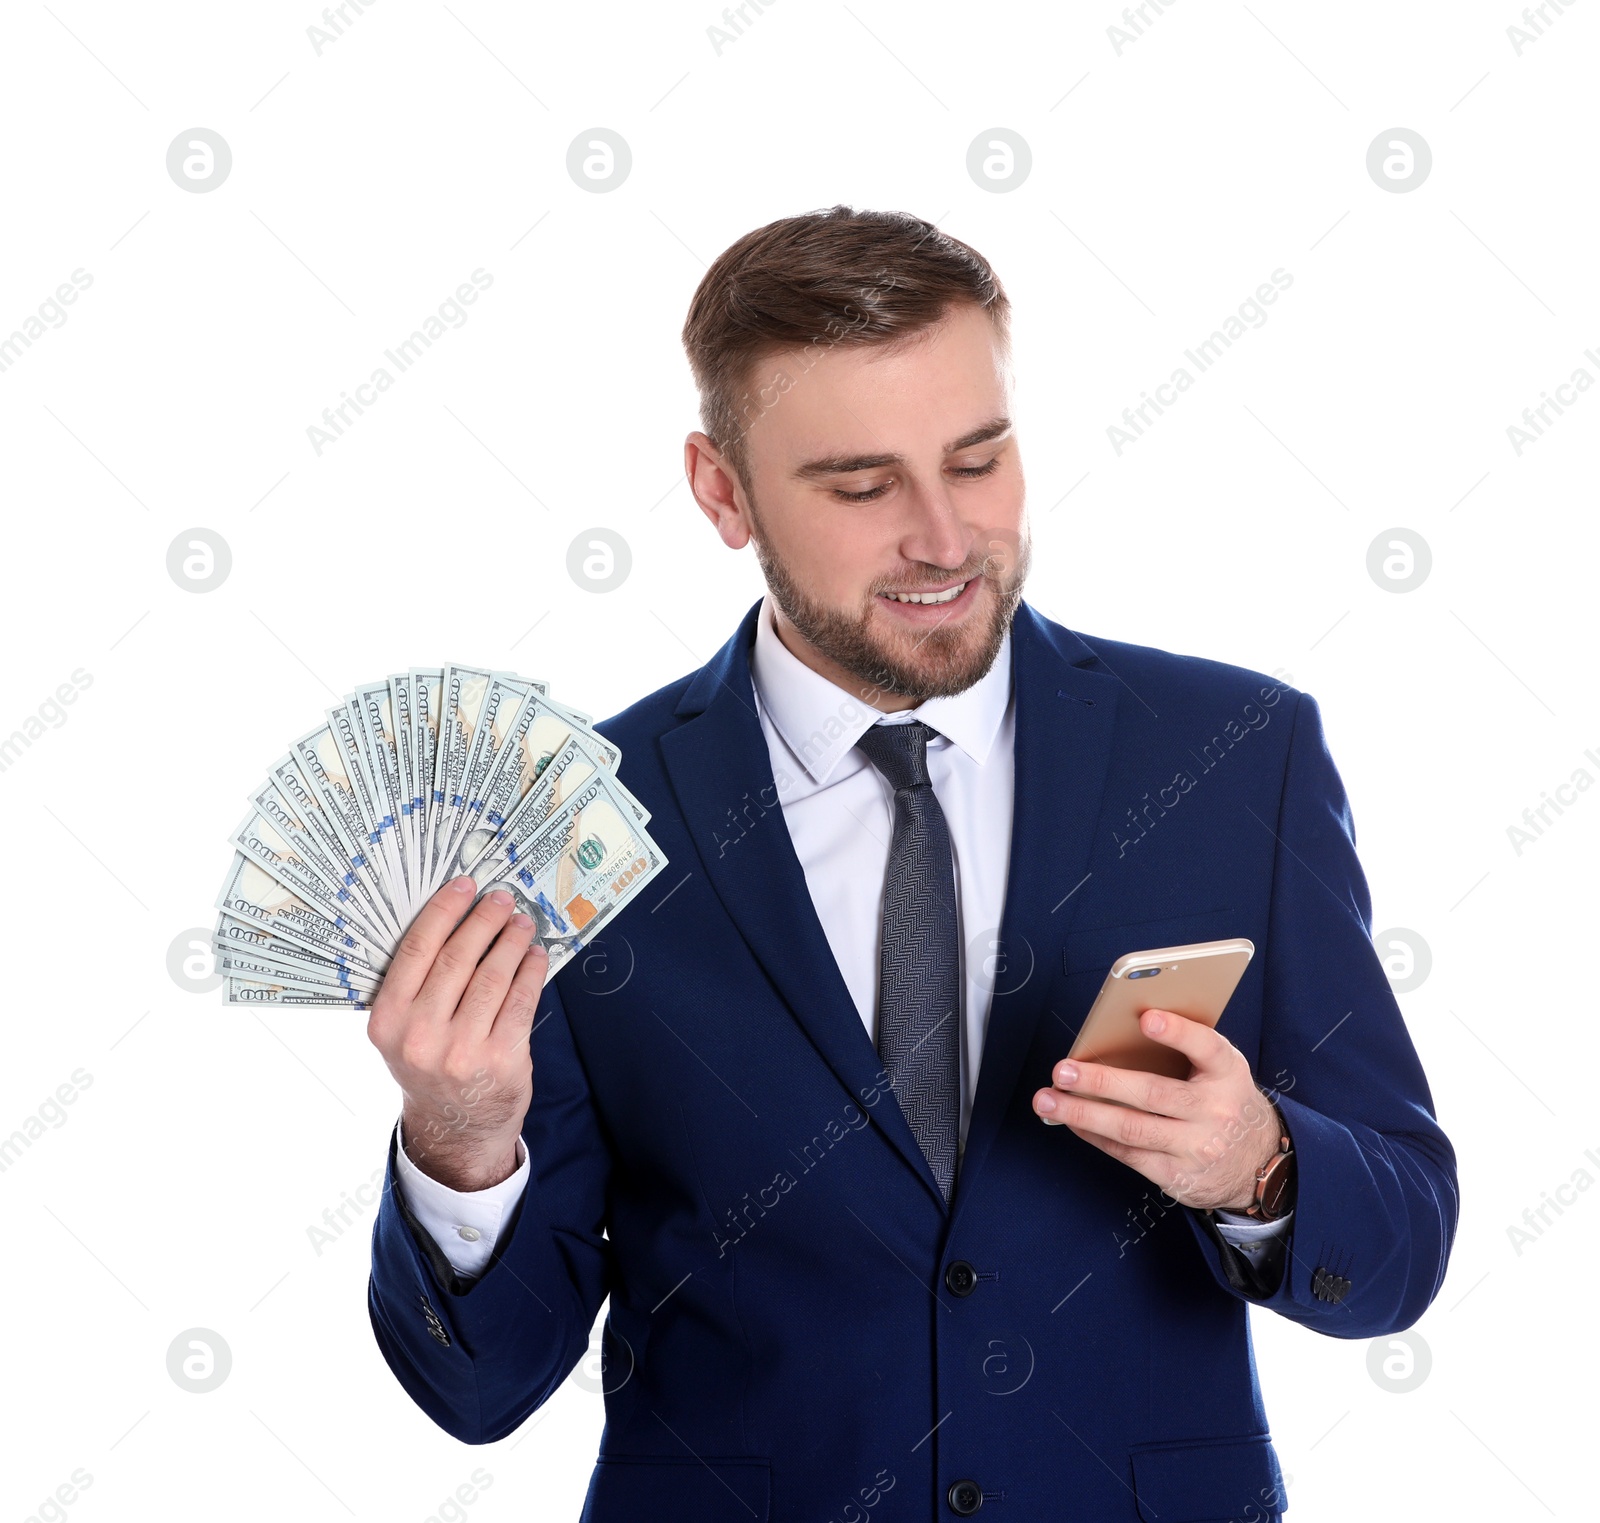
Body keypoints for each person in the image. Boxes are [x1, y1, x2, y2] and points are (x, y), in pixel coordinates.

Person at [365, 206, 1458, 1522]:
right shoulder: (580, 823)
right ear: (723, 492)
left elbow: (1400, 1254)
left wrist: (1263, 1169)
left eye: (979, 460)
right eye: (863, 485)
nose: (944, 539)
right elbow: (477, 1391)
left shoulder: (1235, 755)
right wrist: (462, 1141)